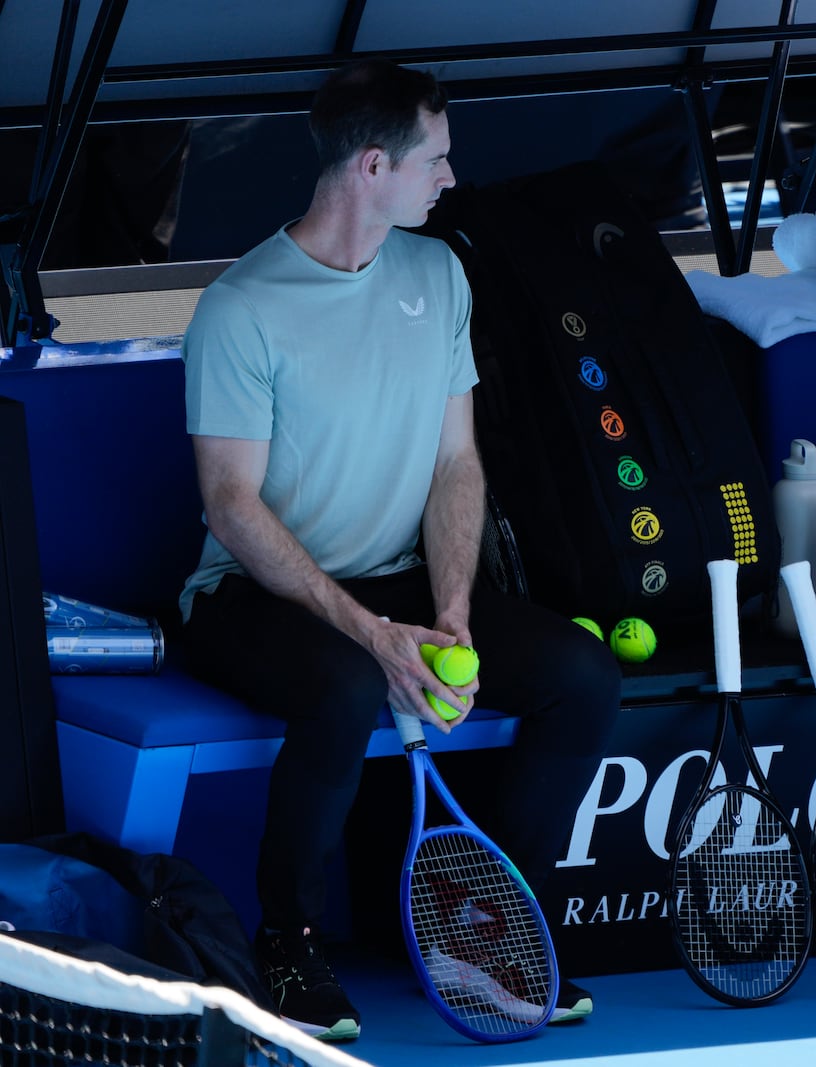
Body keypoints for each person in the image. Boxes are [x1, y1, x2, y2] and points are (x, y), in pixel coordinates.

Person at [179, 59, 621, 1040]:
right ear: (373, 166)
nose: (450, 180)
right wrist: (375, 635)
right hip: (252, 592)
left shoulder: (436, 271)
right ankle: (287, 942)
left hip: (402, 577)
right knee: (342, 684)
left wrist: (453, 607)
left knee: (581, 674)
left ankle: (494, 920)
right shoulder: (242, 306)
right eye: (437, 159)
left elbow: (456, 462)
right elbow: (231, 507)